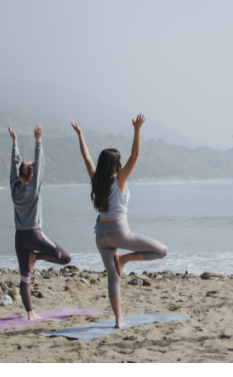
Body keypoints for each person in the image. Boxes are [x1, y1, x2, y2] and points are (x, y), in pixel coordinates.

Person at [70, 114, 168, 329]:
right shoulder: (119, 179)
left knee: (112, 279)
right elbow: (136, 155)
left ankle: (119, 320)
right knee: (162, 251)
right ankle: (124, 259)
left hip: (100, 235)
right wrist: (137, 129)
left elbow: (86, 158)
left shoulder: (97, 180)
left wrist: (80, 134)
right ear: (117, 164)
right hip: (118, 231)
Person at [8, 124, 72, 321]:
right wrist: (38, 141)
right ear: (32, 175)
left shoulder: (13, 187)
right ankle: (37, 257)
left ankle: (30, 313)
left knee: (25, 278)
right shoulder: (34, 189)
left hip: (19, 238)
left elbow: (14, 164)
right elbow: (40, 163)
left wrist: (15, 143)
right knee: (65, 258)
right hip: (34, 236)